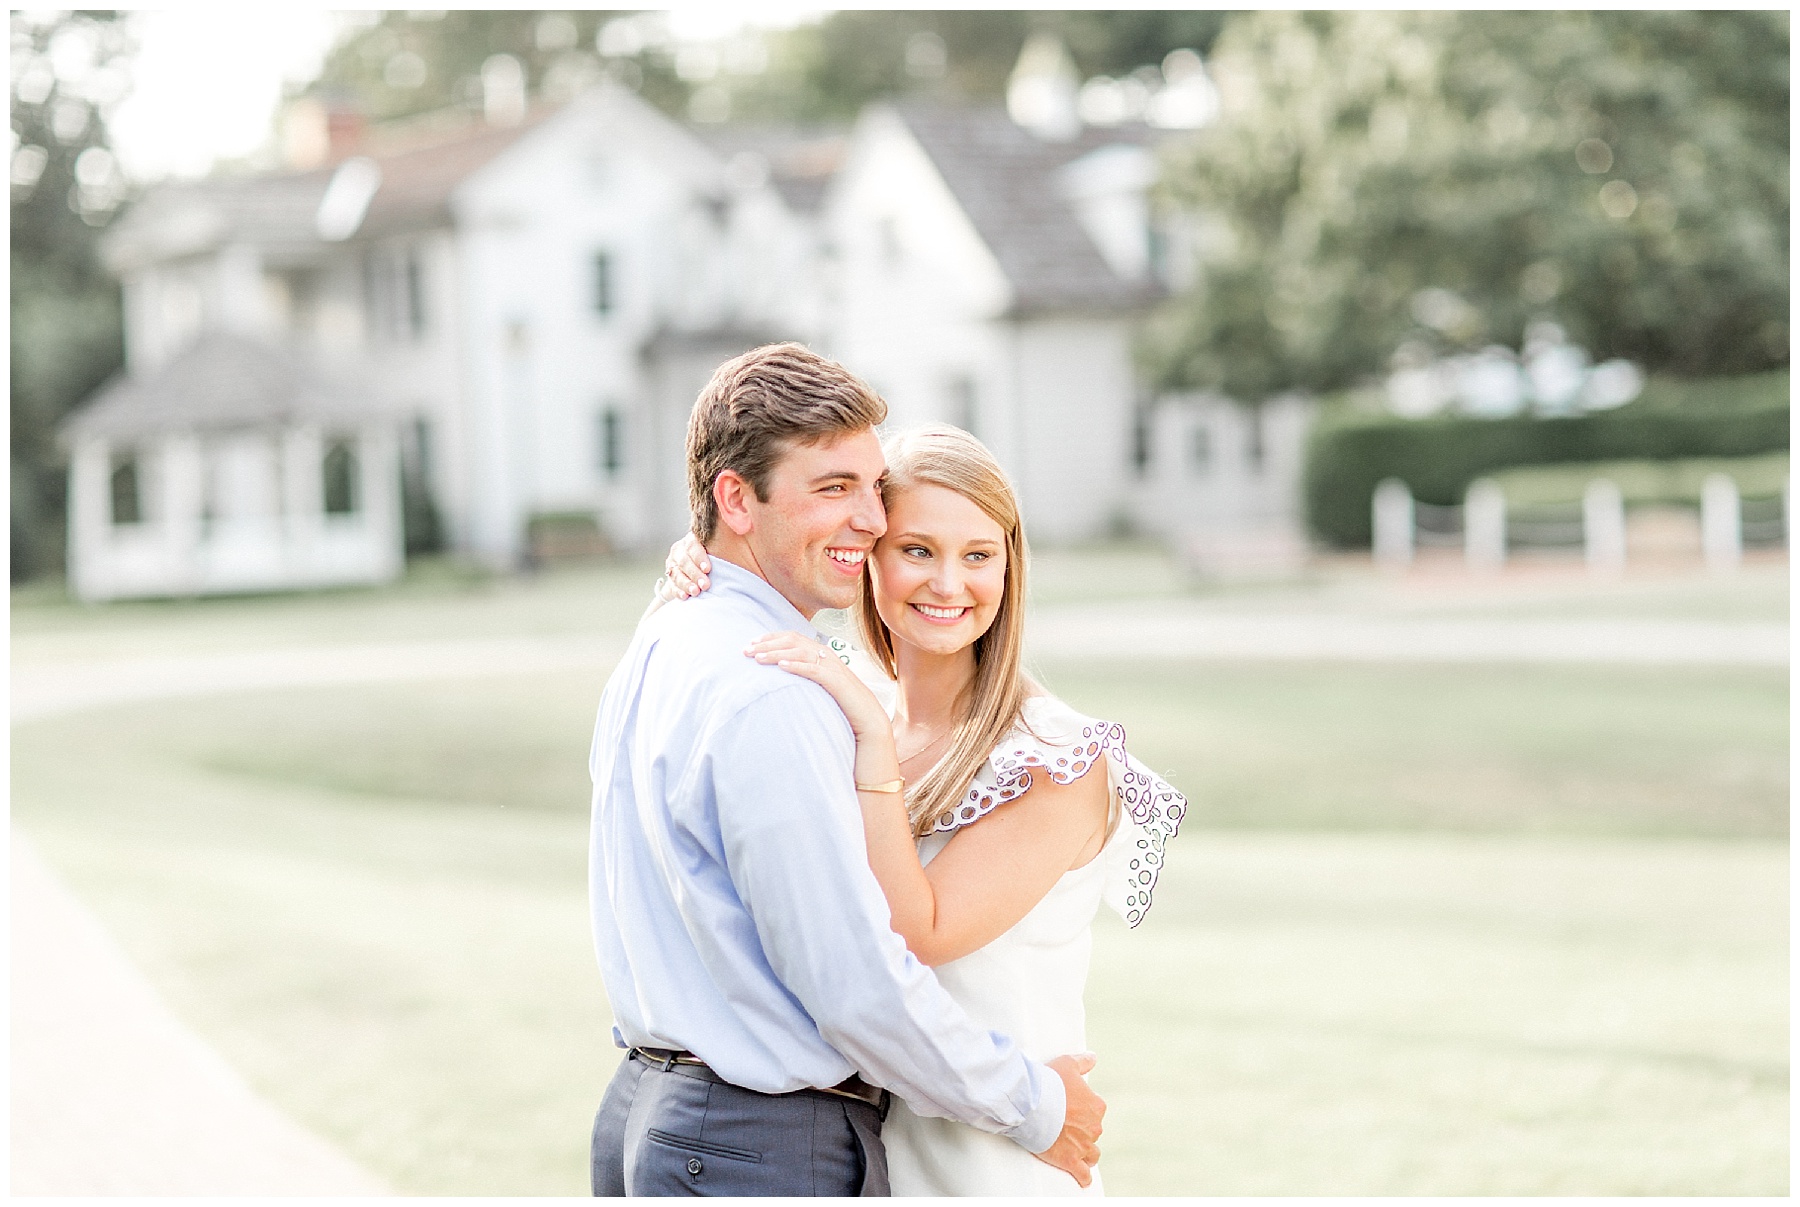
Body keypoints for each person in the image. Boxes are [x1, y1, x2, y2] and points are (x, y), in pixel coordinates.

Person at [587, 344, 1105, 1197]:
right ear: (734, 498)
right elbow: (854, 981)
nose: (865, 518)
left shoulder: (668, 639)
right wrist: (1038, 1104)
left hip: (662, 1112)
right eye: (835, 489)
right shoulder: (780, 691)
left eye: (871, 490)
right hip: (756, 1136)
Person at [657, 423, 1188, 1195]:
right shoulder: (845, 706)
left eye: (979, 554)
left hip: (996, 1161)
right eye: (917, 550)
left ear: (1011, 564)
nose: (949, 582)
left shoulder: (1057, 760)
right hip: (861, 1154)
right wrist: (697, 556)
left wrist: (873, 744)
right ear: (866, 551)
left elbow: (913, 934)